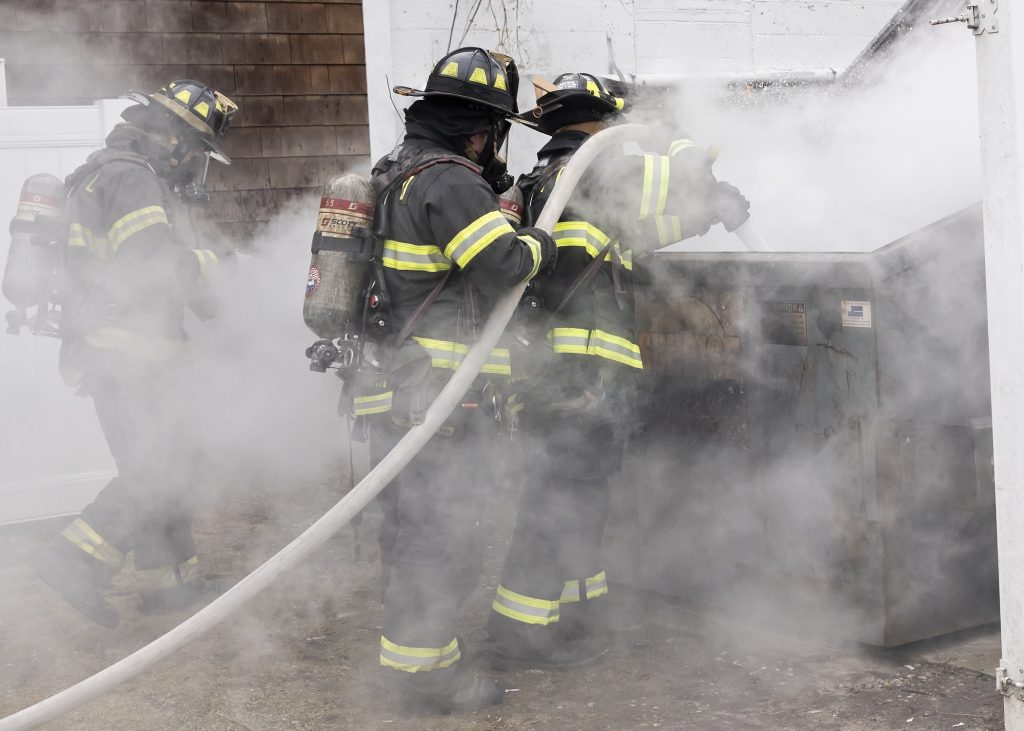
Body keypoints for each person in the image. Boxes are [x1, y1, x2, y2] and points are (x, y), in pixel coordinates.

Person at [487, 72, 751, 668]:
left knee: (580, 494)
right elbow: (688, 177)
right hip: (579, 374)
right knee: (560, 496)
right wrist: (670, 131)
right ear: (603, 123)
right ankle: (519, 632)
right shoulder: (599, 171)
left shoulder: (548, 182)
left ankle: (581, 614)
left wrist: (710, 214)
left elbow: (631, 235)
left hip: (554, 373)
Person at [355, 48, 556, 713]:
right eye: (494, 131)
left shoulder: (394, 172)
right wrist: (540, 242)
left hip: (395, 386)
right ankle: (423, 678)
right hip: (437, 395)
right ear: (478, 128)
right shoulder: (449, 180)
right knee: (444, 537)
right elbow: (501, 264)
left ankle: (425, 658)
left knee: (416, 532)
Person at [31, 80, 238, 629]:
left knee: (163, 464)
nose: (197, 166)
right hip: (130, 354)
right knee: (164, 465)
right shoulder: (130, 176)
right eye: (196, 152)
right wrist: (216, 266)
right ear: (174, 140)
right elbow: (154, 261)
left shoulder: (106, 170)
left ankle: (168, 585)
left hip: (118, 350)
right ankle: (73, 559)